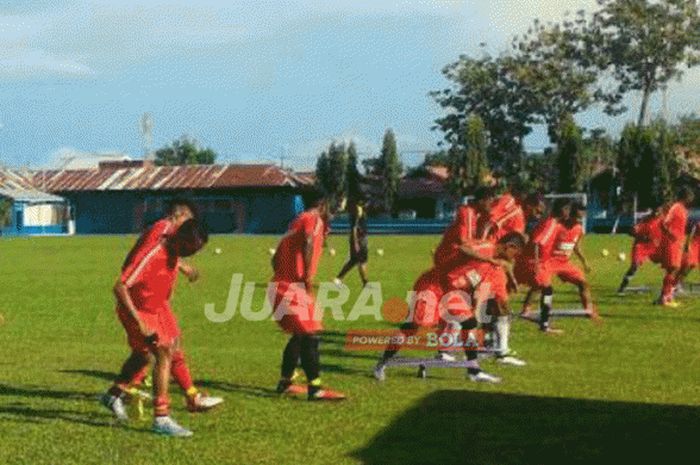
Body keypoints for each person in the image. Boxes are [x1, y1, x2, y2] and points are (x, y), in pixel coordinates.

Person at [101, 218, 209, 437]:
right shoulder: (153, 253)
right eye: (189, 249)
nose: (190, 254)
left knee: (145, 357)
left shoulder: (173, 243)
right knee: (163, 352)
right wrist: (140, 323)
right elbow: (120, 287)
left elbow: (175, 254)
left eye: (195, 251)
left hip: (157, 306)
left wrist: (182, 266)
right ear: (180, 237)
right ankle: (161, 418)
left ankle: (113, 395)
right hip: (138, 310)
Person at [373, 233, 526, 384]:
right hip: (433, 285)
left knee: (469, 323)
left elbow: (479, 286)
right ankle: (382, 363)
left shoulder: (493, 266)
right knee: (414, 326)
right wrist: (487, 258)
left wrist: (475, 309)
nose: (514, 258)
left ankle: (474, 371)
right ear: (509, 246)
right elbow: (463, 248)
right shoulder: (487, 247)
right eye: (516, 253)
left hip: (453, 292)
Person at [121, 199, 223, 413]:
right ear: (179, 215)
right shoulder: (161, 230)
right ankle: (145, 401)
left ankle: (190, 395)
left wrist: (181, 268)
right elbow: (148, 259)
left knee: (168, 347)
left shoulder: (167, 233)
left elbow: (164, 255)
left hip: (155, 299)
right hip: (143, 300)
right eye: (188, 221)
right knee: (155, 352)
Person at [269, 193, 345, 401]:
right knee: (310, 335)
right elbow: (309, 241)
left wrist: (285, 274)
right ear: (322, 204)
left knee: (300, 335)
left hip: (279, 285)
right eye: (332, 207)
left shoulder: (296, 220)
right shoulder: (314, 218)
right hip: (293, 287)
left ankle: (285, 382)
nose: (334, 212)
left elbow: (275, 259)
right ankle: (315, 388)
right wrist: (306, 276)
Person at [516, 199, 570, 333]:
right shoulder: (551, 223)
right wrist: (536, 265)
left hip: (536, 261)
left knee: (541, 288)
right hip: (532, 262)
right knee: (547, 289)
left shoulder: (553, 223)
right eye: (567, 209)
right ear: (560, 209)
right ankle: (544, 325)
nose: (568, 212)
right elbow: (536, 243)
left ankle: (532, 316)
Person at [546, 202, 598, 318]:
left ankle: (589, 311)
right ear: (571, 214)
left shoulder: (579, 229)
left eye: (581, 217)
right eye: (578, 217)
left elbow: (576, 246)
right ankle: (527, 309)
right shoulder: (557, 226)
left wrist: (584, 262)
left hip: (565, 263)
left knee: (583, 284)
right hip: (550, 261)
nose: (579, 220)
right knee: (542, 285)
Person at [433, 186, 496, 268]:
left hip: (453, 254)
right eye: (490, 202)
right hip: (449, 256)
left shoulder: (477, 215)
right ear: (481, 201)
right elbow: (465, 243)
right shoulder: (468, 212)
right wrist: (488, 258)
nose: (492, 206)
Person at [657, 187, 695, 307]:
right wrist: (670, 234)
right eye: (690, 196)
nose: (692, 199)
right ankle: (664, 298)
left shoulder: (684, 209)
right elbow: (663, 223)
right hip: (671, 243)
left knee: (676, 269)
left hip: (678, 243)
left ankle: (666, 297)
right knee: (672, 269)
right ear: (686, 196)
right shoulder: (675, 207)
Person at [617, 205, 664, 294]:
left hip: (655, 247)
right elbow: (633, 231)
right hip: (641, 246)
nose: (657, 213)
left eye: (659, 211)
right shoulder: (645, 220)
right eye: (655, 211)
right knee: (634, 266)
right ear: (652, 211)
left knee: (671, 264)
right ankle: (622, 287)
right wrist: (636, 233)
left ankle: (673, 285)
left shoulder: (663, 219)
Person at [334, 200, 369, 287]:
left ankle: (339, 278)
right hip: (359, 238)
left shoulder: (359, 209)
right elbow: (354, 227)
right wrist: (356, 242)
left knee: (354, 260)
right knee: (361, 260)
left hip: (361, 237)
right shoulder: (357, 210)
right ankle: (365, 282)